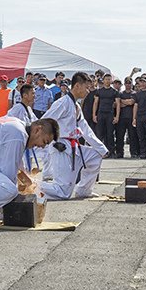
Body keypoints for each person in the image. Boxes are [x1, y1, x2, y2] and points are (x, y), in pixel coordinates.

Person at [41, 72, 109, 200]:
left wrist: (102, 149)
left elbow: (85, 129)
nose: (88, 91)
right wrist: (52, 141)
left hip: (74, 147)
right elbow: (45, 122)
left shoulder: (76, 105)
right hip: (61, 148)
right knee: (63, 192)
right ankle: (31, 186)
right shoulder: (62, 103)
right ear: (77, 86)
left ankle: (83, 190)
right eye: (86, 87)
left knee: (95, 157)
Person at [92, 73, 119, 157]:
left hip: (110, 114)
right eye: (106, 79)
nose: (107, 81)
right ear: (103, 81)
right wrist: (94, 115)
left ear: (111, 81)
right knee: (99, 133)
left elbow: (118, 104)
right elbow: (95, 103)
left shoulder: (114, 92)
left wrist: (117, 116)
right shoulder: (99, 91)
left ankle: (111, 152)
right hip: (100, 113)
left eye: (109, 79)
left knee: (110, 134)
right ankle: (100, 152)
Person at [115, 77, 138, 159]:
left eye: (129, 83)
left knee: (132, 137)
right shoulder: (120, 93)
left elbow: (132, 102)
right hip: (122, 118)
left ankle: (133, 153)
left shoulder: (135, 94)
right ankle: (119, 153)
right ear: (124, 84)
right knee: (120, 136)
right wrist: (127, 102)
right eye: (126, 83)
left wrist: (123, 101)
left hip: (131, 118)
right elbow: (118, 104)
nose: (128, 84)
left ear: (132, 84)